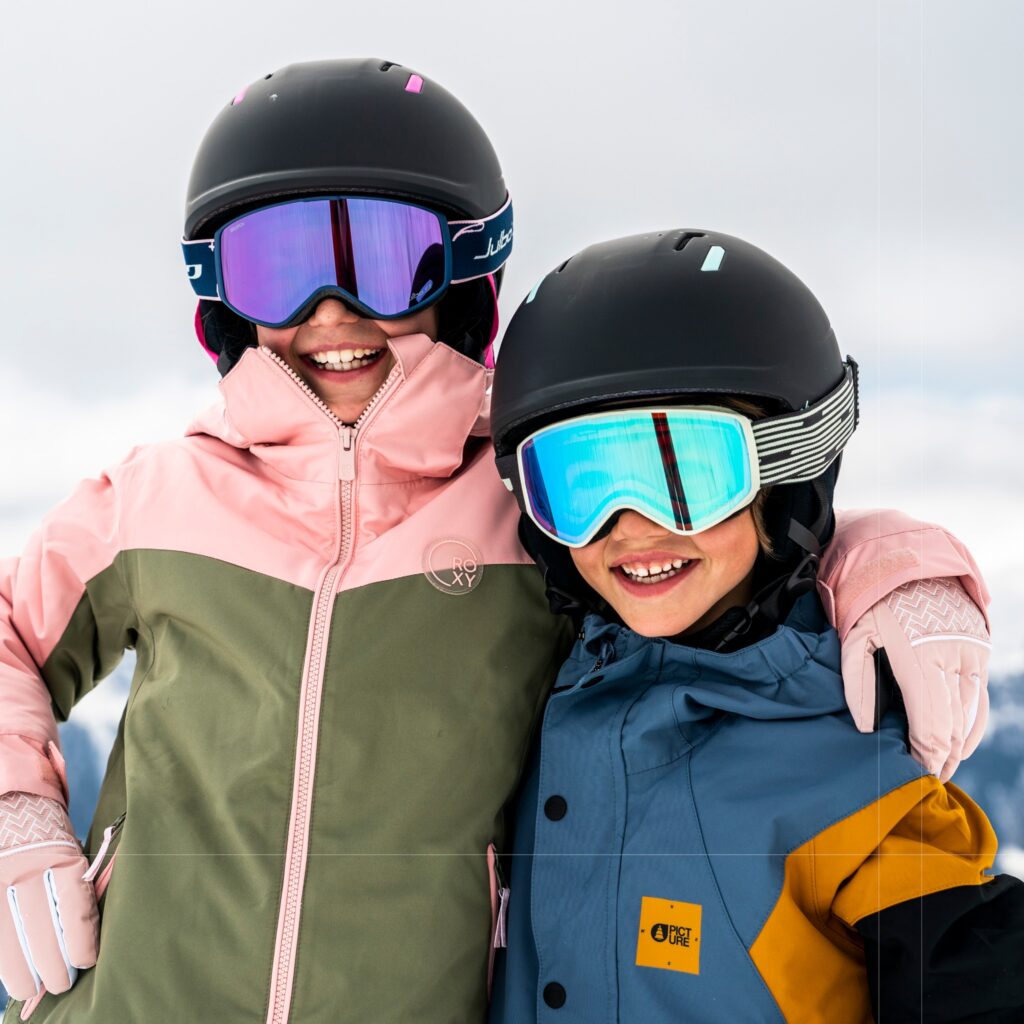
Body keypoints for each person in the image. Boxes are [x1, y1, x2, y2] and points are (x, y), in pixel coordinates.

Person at [0, 63, 993, 1024]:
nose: (330, 310)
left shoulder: (523, 500)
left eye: (382, 261)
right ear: (222, 291)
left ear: (463, 273)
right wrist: (15, 809)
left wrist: (899, 568)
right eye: (279, 267)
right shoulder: (159, 496)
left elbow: (717, 552)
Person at [487, 229, 1023, 1023]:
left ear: (786, 472)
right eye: (580, 482)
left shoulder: (847, 771)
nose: (630, 525)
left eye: (687, 474)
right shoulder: (539, 689)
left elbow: (979, 974)